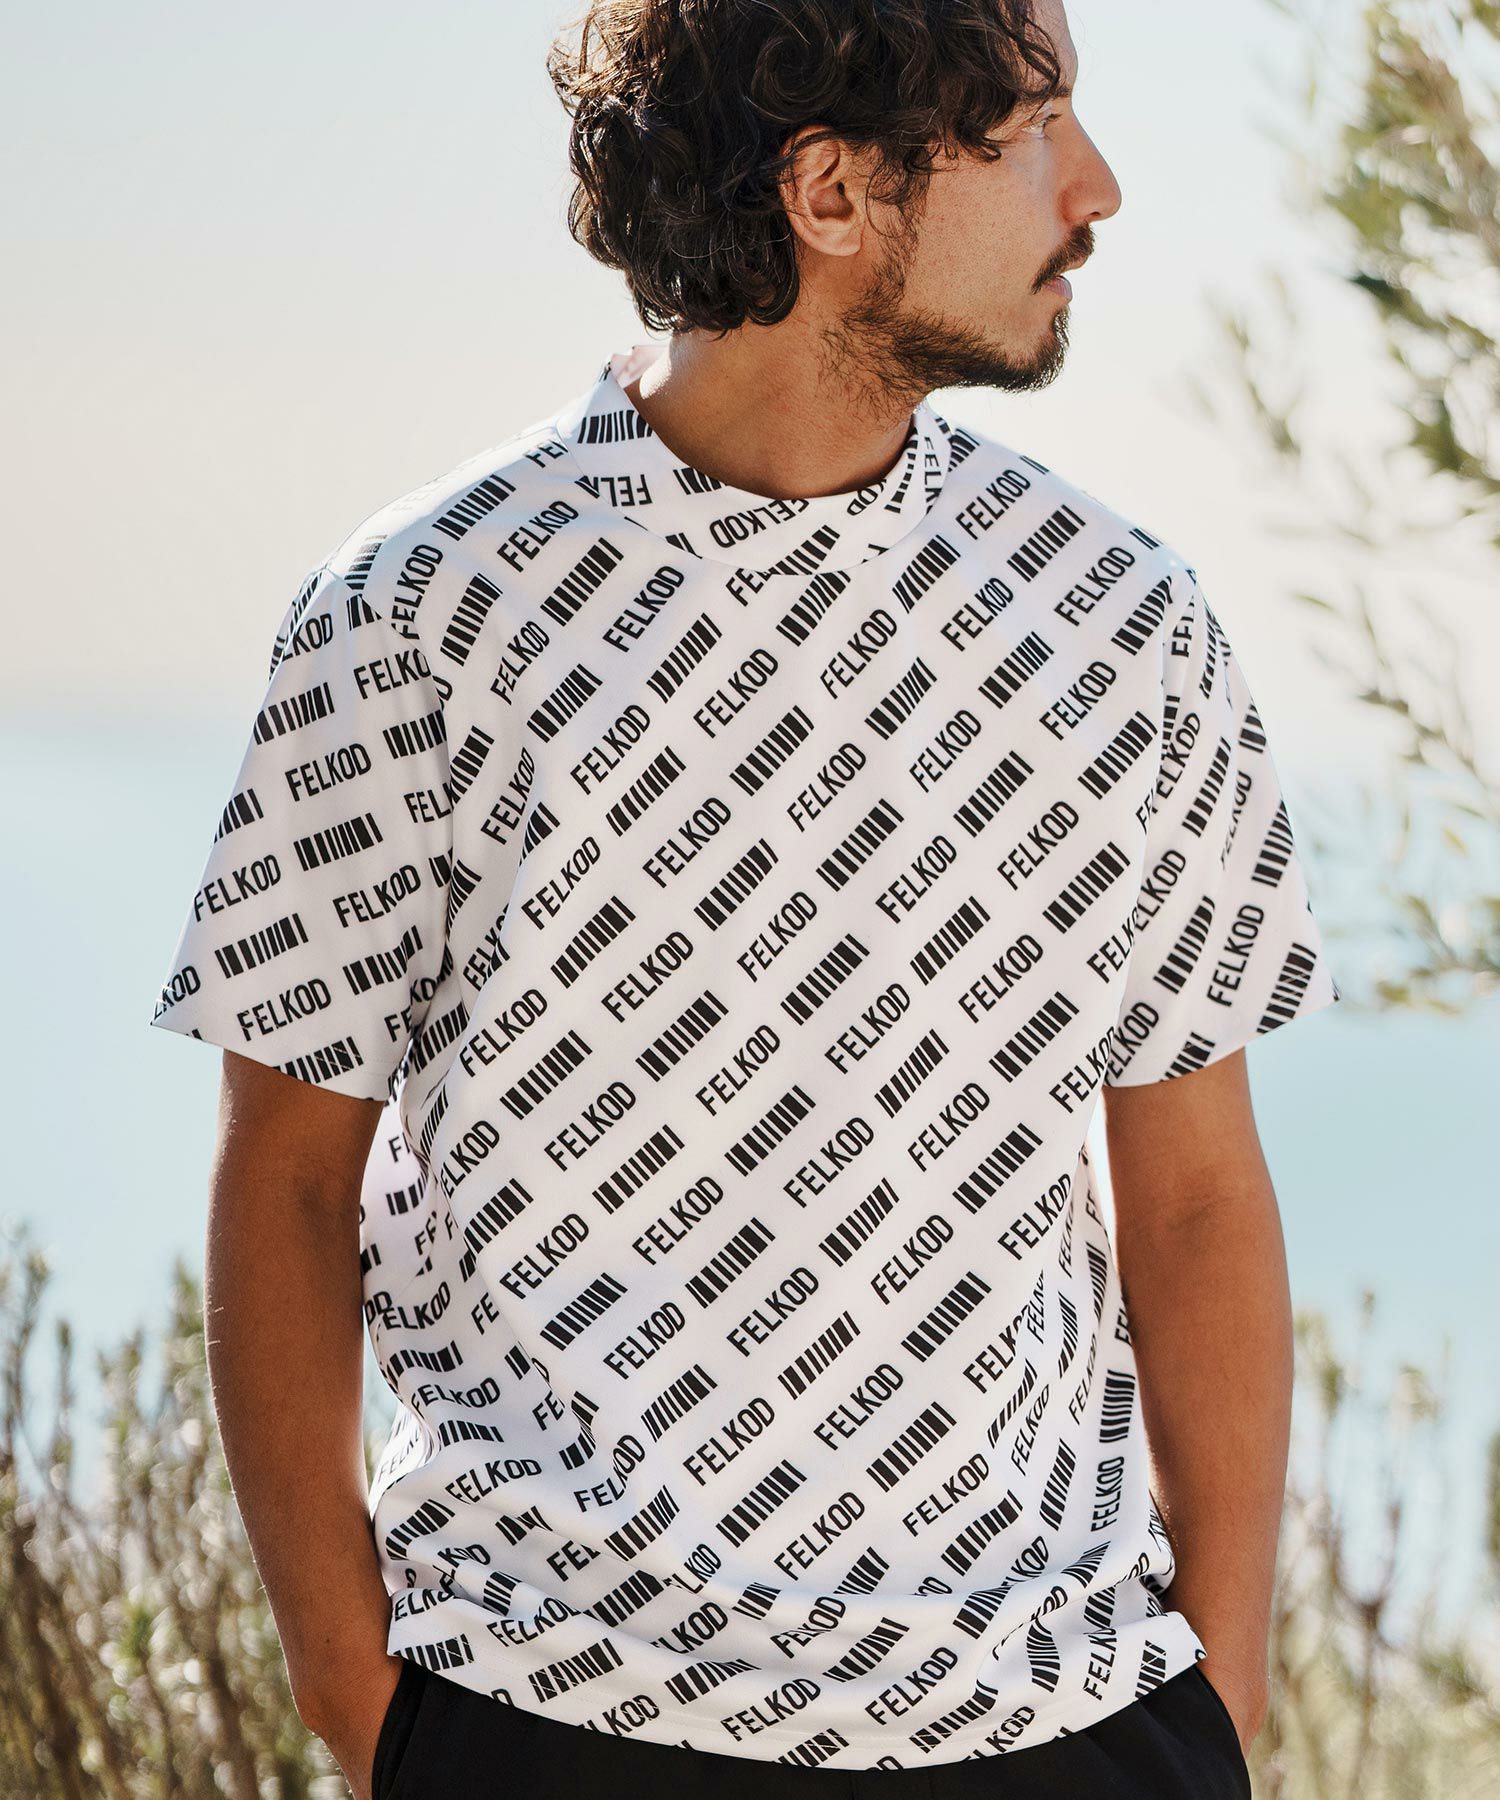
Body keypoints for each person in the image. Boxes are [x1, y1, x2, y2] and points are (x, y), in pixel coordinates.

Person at [146, 1, 1340, 1795]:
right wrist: (358, 1695)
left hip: (1053, 1723)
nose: (1096, 189)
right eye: (1031, 129)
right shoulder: (419, 614)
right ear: (832, 192)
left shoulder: (1126, 625)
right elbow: (289, 1172)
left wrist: (1216, 1707)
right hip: (550, 1717)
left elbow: (1193, 1196)